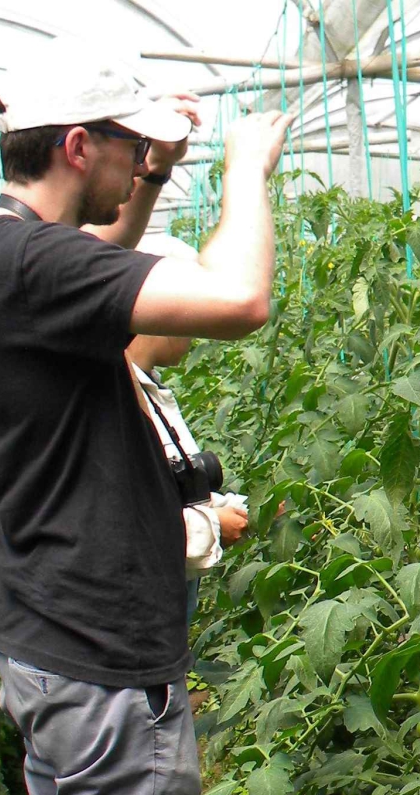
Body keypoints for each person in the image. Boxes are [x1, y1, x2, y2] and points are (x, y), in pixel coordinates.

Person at [0, 40, 292, 795]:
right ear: (77, 146)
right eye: (127, 147)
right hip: (102, 655)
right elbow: (242, 300)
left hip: (45, 639)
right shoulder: (32, 265)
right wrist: (245, 173)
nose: (138, 161)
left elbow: (98, 256)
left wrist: (154, 177)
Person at [129, 233, 251, 625]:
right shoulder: (119, 402)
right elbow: (129, 522)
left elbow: (165, 490)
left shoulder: (149, 387)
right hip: (136, 622)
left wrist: (233, 509)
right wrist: (214, 525)